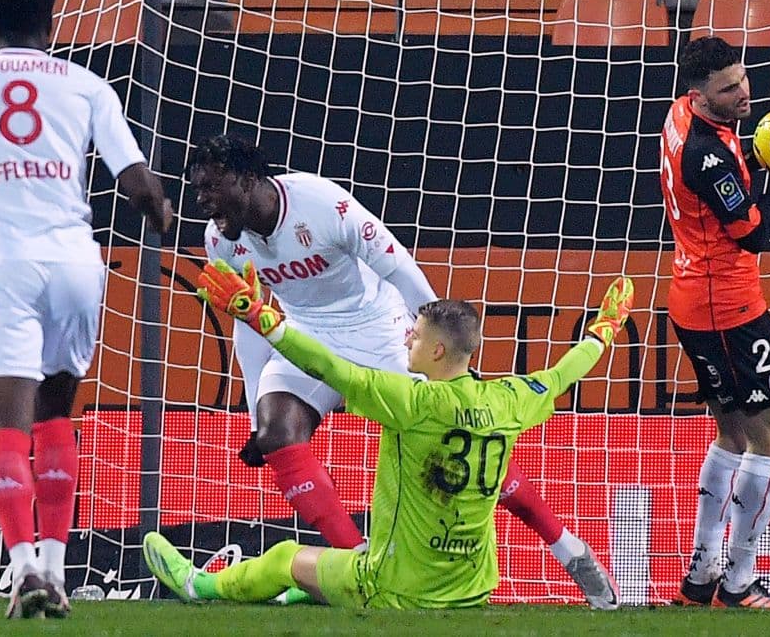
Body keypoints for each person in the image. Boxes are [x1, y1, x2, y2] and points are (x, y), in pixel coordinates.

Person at [187, 133, 618, 608]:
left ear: (248, 180)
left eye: (211, 188)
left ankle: (566, 546)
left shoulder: (322, 204)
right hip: (306, 335)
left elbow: (402, 270)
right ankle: (358, 560)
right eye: (197, 190)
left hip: (378, 327)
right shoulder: (219, 241)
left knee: (452, 430)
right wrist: (252, 409)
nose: (203, 202)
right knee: (275, 434)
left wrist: (443, 359)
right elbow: (247, 321)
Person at [143, 260, 633, 608]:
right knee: (319, 572)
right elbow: (569, 370)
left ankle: (196, 587)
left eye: (415, 336)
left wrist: (262, 321)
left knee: (285, 557)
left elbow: (329, 366)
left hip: (398, 589)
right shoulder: (511, 398)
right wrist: (604, 330)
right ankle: (308, 593)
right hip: (473, 587)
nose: (406, 339)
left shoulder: (411, 402)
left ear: (437, 353)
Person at [0, 0, 173, 620]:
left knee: (8, 421)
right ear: (54, 14)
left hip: (7, 261)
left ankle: (22, 569)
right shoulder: (88, 86)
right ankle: (59, 570)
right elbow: (139, 183)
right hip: (74, 261)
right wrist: (164, 216)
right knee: (58, 415)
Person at [660, 37, 770, 609]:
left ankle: (701, 578)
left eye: (744, 79)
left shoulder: (680, 117)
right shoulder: (705, 155)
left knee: (731, 435)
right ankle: (740, 582)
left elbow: (726, 167)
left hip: (693, 300)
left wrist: (755, 155)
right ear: (701, 95)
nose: (744, 93)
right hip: (731, 310)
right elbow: (752, 233)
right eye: (729, 89)